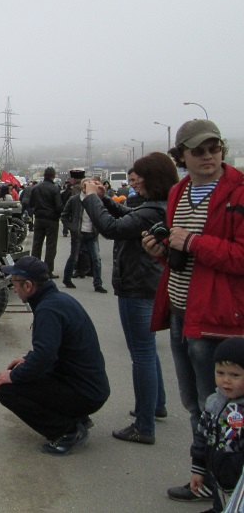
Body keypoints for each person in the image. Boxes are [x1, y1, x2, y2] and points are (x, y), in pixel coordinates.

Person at [143, 119, 244, 504]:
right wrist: (162, 252)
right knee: (194, 405)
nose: (208, 156)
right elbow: (180, 255)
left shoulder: (238, 192)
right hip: (181, 312)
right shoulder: (179, 192)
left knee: (218, 405)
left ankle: (228, 490)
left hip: (217, 317)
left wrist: (195, 242)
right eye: (199, 150)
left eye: (214, 148)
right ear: (181, 155)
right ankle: (204, 479)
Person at [82, 152, 180, 446]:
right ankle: (155, 405)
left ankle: (144, 423)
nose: (135, 182)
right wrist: (105, 199)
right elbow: (129, 220)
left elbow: (112, 229)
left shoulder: (153, 209)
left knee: (142, 354)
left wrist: (90, 199)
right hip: (146, 282)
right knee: (147, 351)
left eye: (139, 177)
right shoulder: (159, 207)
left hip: (137, 285)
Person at [0, 256, 110, 455]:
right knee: (21, 370)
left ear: (28, 285)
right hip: (90, 386)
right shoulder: (57, 300)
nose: (13, 288)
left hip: (85, 392)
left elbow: (45, 358)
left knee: (6, 388)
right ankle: (77, 417)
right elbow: (51, 352)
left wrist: (12, 377)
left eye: (14, 283)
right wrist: (27, 360)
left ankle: (66, 431)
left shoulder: (48, 309)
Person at [189, 338, 244, 513]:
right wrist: (198, 469)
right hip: (217, 477)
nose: (226, 380)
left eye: (235, 375)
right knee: (220, 504)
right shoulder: (214, 402)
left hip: (239, 482)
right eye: (220, 373)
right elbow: (202, 435)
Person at [60, 183, 107, 294]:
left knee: (96, 259)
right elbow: (64, 215)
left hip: (92, 234)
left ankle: (98, 284)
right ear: (82, 187)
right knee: (74, 257)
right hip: (78, 233)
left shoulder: (95, 200)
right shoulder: (74, 200)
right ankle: (67, 279)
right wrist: (71, 228)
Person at [28, 167, 63, 278]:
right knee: (51, 245)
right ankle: (47, 271)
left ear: (44, 175)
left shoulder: (35, 188)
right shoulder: (55, 189)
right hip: (52, 219)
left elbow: (31, 203)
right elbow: (59, 206)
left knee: (37, 244)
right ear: (53, 175)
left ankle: (34, 269)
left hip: (38, 218)